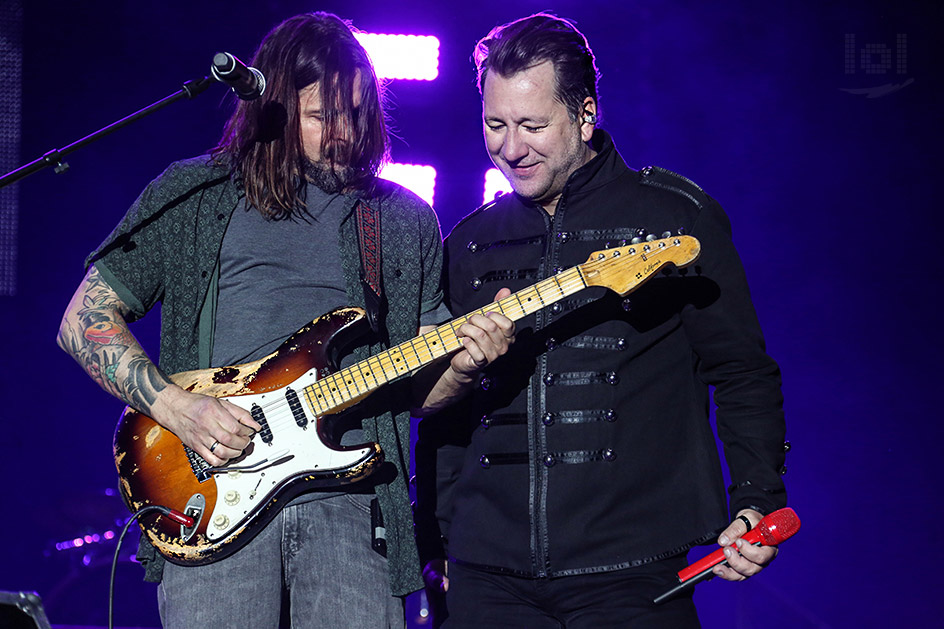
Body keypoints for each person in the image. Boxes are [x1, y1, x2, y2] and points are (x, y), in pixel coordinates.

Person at [56, 12, 512, 628]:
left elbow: (421, 392)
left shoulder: (402, 221)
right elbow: (83, 319)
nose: (345, 132)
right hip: (213, 499)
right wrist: (178, 409)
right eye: (324, 116)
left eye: (357, 112)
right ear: (271, 104)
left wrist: (465, 366)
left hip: (352, 512)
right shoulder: (195, 194)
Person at [415, 13, 788, 627]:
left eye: (532, 125)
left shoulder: (674, 218)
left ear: (585, 115)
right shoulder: (468, 244)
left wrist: (755, 501)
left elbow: (742, 372)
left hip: (630, 571)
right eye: (494, 124)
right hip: (486, 575)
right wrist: (439, 546)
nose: (510, 148)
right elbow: (443, 420)